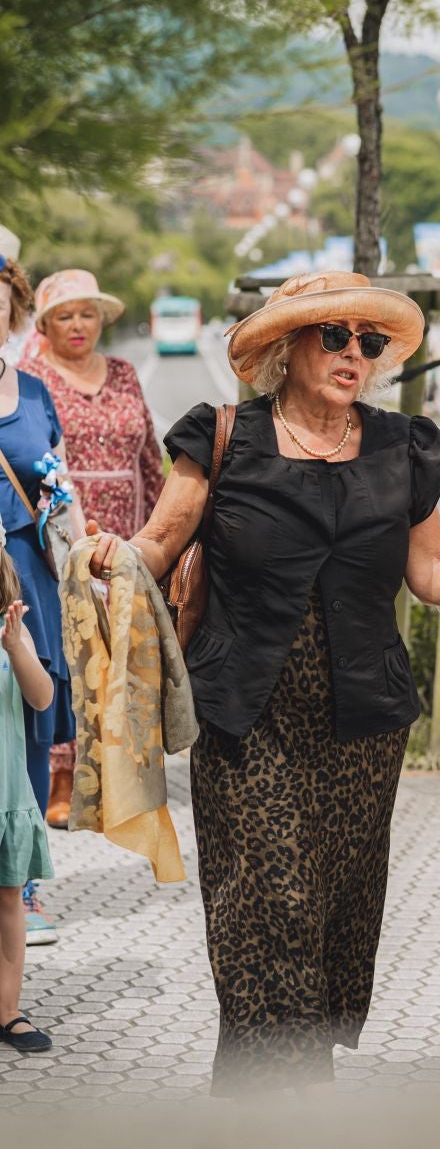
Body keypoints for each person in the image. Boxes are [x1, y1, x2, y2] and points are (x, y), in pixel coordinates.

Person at [86, 271, 440, 1093]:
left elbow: (433, 578)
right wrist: (112, 557)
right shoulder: (224, 436)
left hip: (362, 726)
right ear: (284, 349)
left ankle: (275, 1094)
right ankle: (280, 1099)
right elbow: (158, 543)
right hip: (246, 714)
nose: (354, 355)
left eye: (368, 343)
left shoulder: (403, 446)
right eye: (334, 337)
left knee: (331, 919)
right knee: (271, 906)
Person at [20, 269, 164, 830]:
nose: (78, 325)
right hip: (58, 533)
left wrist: (157, 536)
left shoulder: (126, 373)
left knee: (117, 646)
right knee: (67, 646)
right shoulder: (29, 378)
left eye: (87, 314)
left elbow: (149, 454)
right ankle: (61, 776)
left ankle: (113, 776)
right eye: (64, 316)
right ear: (44, 325)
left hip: (123, 530)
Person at [0, 257, 86, 945]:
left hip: (29, 583)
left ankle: (19, 890)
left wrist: (82, 558)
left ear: (14, 313)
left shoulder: (34, 393)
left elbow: (60, 488)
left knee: (28, 727)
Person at [0, 519, 55, 1054]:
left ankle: (9, 1011)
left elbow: (42, 699)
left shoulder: (11, 628)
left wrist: (17, 648)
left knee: (9, 900)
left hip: (6, 796)